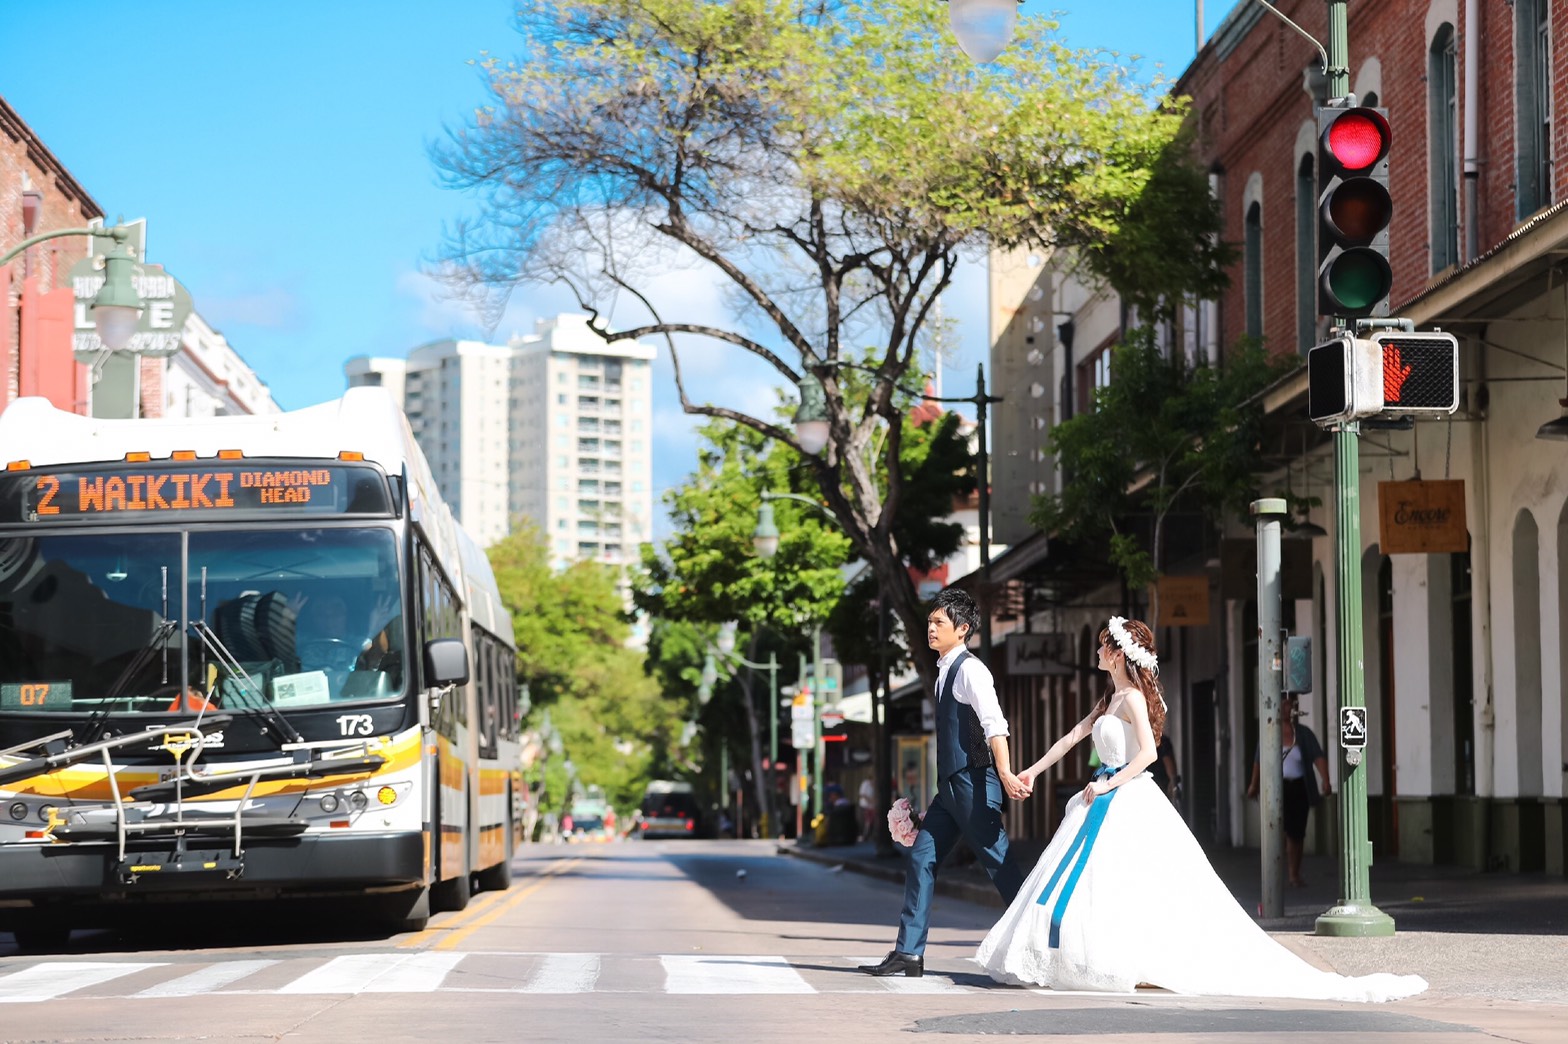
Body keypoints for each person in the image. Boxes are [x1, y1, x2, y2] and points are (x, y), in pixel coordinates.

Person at [975, 616, 1426, 1002]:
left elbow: (1148, 754)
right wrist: (1030, 771)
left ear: (1117, 654)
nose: (1097, 651)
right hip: (1100, 799)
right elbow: (1072, 737)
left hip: (1124, 796)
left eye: (1102, 645)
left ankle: (1140, 959)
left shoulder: (1132, 698)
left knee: (1134, 882)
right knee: (1104, 885)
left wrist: (1110, 783)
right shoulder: (1108, 699)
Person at [860, 586, 1027, 979]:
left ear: (963, 628)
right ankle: (909, 953)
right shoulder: (942, 672)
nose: (931, 629)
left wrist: (1003, 772)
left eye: (939, 622)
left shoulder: (971, 670)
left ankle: (1043, 942)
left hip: (974, 782)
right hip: (950, 789)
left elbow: (995, 725)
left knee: (1000, 866)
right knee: (921, 858)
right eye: (930, 621)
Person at [1248, 694, 1332, 887]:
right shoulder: (1269, 732)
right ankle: (1274, 875)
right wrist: (1254, 785)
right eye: (1284, 705)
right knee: (1276, 831)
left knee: (1296, 833)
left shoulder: (1302, 733)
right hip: (1277, 789)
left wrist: (1326, 781)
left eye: (1290, 705)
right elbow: (1259, 761)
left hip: (1299, 787)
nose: (1287, 708)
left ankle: (1294, 874)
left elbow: (1317, 756)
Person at [1148, 731, 1179, 802]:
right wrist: (1173, 780)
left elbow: (1167, 760)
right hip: (1160, 782)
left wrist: (1172, 780)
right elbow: (1168, 760)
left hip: (1158, 781)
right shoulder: (1162, 740)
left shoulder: (1162, 741)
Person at [858, 776, 876, 842]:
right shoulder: (865, 784)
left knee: (871, 821)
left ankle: (869, 835)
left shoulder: (873, 786)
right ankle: (864, 835)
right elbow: (862, 794)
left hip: (871, 806)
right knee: (865, 821)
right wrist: (869, 800)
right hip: (864, 805)